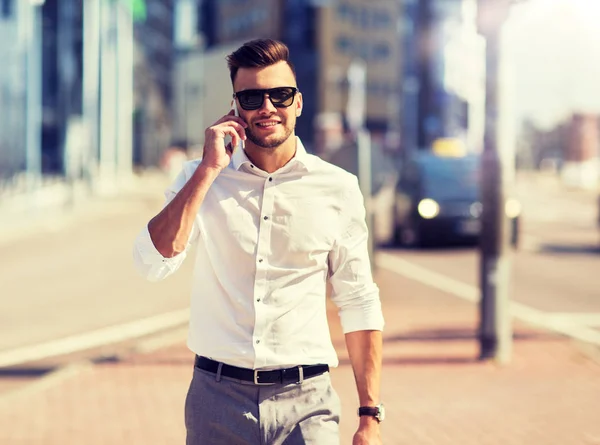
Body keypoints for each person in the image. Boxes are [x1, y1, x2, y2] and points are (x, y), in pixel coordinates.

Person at [132, 38, 384, 445]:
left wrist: (370, 414)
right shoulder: (200, 177)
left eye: (280, 95)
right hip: (216, 398)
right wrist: (208, 171)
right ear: (235, 107)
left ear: (298, 103)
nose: (267, 107)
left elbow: (358, 301)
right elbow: (151, 262)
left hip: (308, 403)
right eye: (252, 97)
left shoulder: (338, 188)